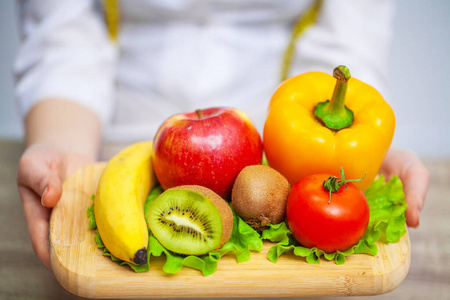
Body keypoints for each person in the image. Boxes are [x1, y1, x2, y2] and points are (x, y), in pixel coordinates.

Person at [14, 0, 429, 270]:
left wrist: (357, 151)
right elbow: (64, 40)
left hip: (281, 155)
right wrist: (63, 147)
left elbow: (349, 40)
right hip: (119, 140)